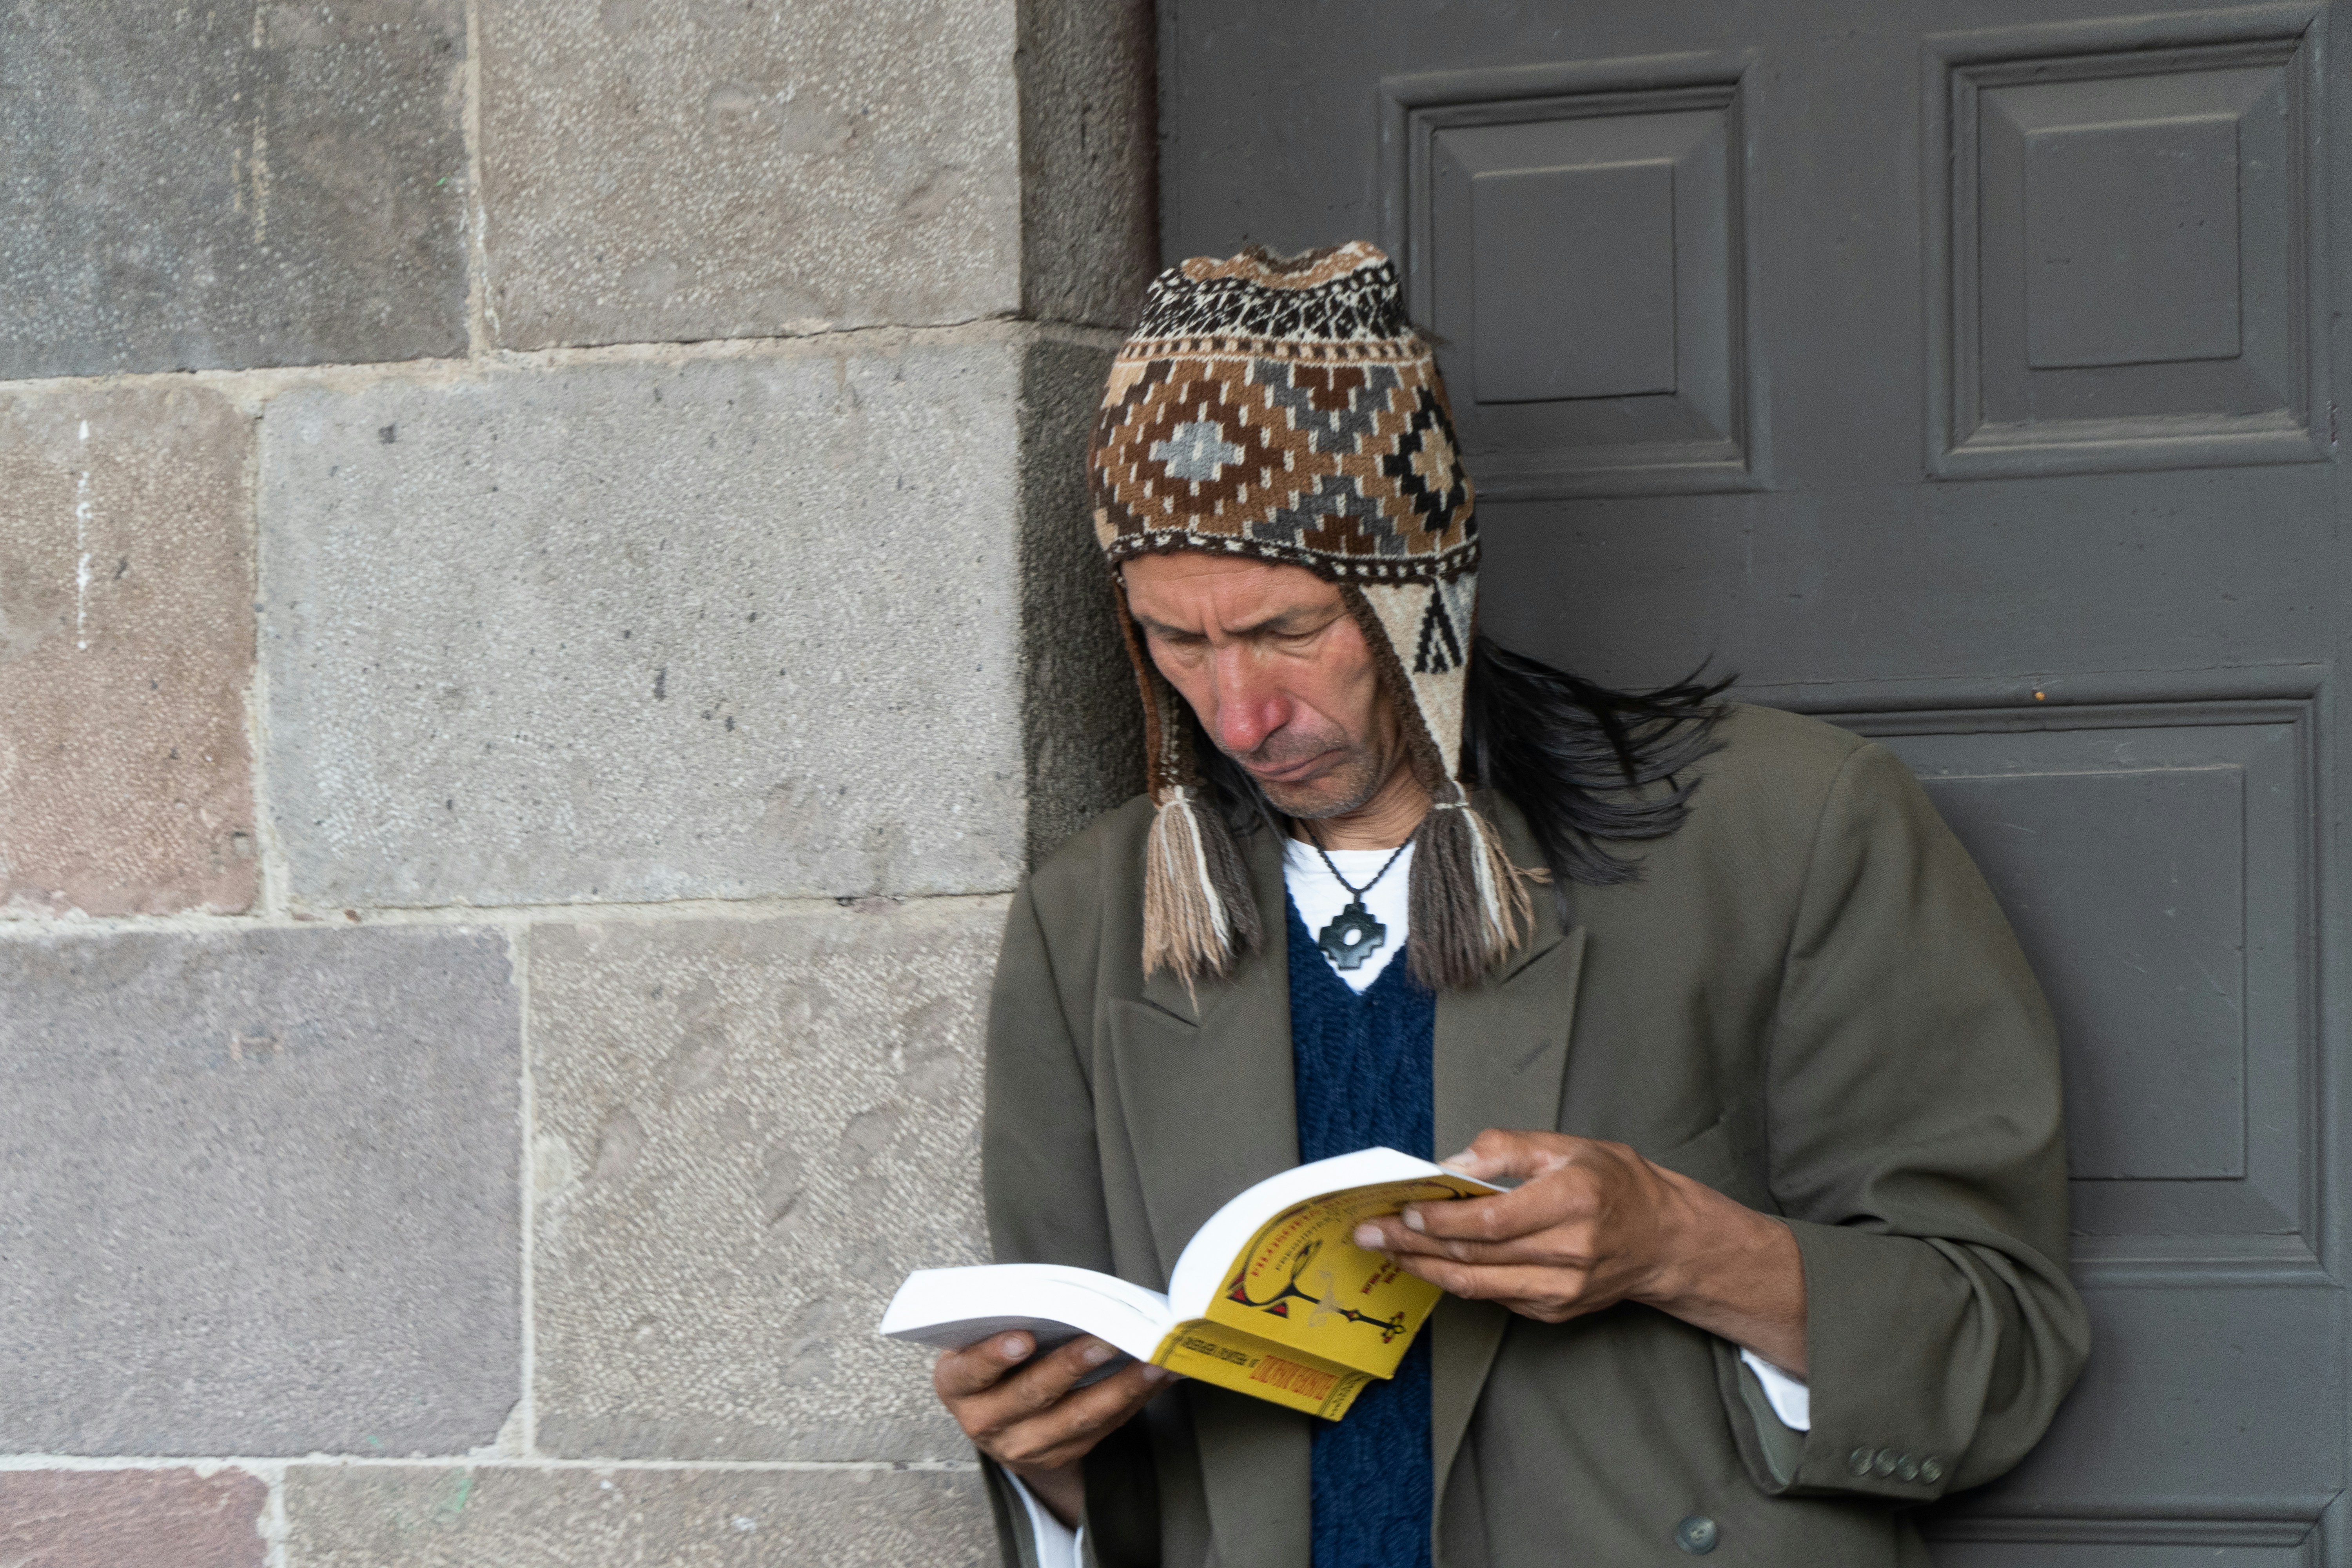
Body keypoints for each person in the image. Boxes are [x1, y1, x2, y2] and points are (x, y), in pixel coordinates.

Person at [929, 242, 2088, 1568]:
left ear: (1424, 594)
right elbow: (1116, 1467)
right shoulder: (1093, 920)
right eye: (1177, 642)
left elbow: (1997, 1340)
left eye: (1290, 631)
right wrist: (1047, 1464)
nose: (1239, 717)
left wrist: (1679, 1248)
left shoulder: (1788, 828)